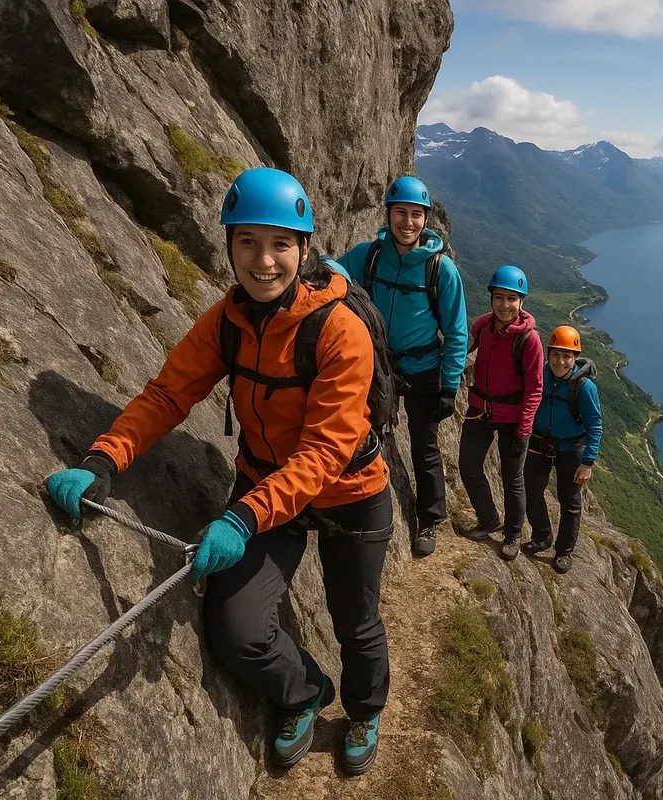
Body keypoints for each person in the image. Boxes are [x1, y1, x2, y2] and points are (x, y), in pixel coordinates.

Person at [44, 168, 393, 775]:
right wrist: (104, 457)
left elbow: (325, 452)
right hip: (264, 488)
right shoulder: (226, 323)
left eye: (281, 243)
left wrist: (242, 515)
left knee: (354, 619)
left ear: (304, 249)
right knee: (236, 629)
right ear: (229, 244)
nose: (264, 261)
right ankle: (305, 693)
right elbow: (167, 396)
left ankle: (365, 710)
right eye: (248, 242)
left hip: (349, 494)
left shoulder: (340, 330)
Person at [336, 176, 467, 557]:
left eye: (415, 215)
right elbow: (335, 271)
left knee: (424, 447)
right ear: (388, 214)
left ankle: (430, 519)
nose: (407, 222)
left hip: (425, 369)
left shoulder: (440, 270)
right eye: (400, 213)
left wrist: (449, 386)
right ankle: (366, 503)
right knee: (369, 430)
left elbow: (456, 332)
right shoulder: (370, 256)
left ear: (425, 219)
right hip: (381, 367)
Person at [459, 265, 544, 560]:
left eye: (511, 298)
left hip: (513, 417)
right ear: (491, 298)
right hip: (480, 409)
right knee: (468, 467)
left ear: (521, 302)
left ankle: (513, 533)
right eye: (499, 297)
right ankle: (488, 519)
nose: (504, 305)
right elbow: (470, 353)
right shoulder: (482, 327)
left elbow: (534, 389)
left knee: (512, 478)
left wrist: (524, 432)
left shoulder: (529, 340)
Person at [522, 326, 602, 573]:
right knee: (531, 492)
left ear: (575, 358)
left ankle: (564, 551)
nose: (560, 361)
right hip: (539, 443)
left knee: (570, 502)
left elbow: (595, 425)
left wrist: (588, 462)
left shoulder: (584, 387)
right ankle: (543, 535)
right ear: (548, 353)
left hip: (571, 448)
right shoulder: (539, 374)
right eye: (556, 354)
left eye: (567, 356)